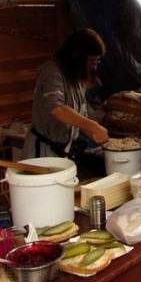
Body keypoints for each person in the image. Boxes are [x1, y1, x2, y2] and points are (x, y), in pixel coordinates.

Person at [24, 29, 109, 177]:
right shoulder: (52, 71)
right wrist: (93, 126)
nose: (94, 66)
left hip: (64, 154)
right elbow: (56, 108)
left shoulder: (76, 78)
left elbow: (78, 120)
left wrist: (107, 143)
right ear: (76, 56)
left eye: (97, 61)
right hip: (43, 154)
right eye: (90, 61)